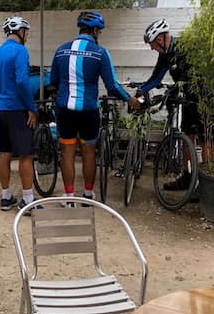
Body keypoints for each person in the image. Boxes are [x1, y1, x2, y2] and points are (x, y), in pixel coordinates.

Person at [50, 11, 139, 203]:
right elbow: (113, 86)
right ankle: (88, 194)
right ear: (96, 30)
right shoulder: (100, 53)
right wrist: (129, 99)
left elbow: (53, 82)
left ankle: (68, 197)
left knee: (67, 152)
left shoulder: (60, 50)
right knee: (89, 152)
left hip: (64, 110)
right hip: (88, 110)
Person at [139, 18, 203, 190]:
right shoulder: (165, 54)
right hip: (187, 99)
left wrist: (174, 89)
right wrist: (141, 90)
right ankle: (187, 178)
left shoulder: (185, 48)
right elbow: (157, 77)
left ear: (160, 39)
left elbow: (194, 77)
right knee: (187, 136)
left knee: (206, 140)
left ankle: (205, 186)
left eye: (152, 44)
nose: (152, 48)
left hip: (204, 98)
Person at [0, 16, 38, 211]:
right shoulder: (20, 51)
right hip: (16, 110)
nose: (27, 35)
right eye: (26, 32)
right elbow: (23, 82)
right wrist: (31, 107)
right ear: (21, 32)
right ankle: (28, 200)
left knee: (4, 153)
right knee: (26, 155)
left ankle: (6, 197)